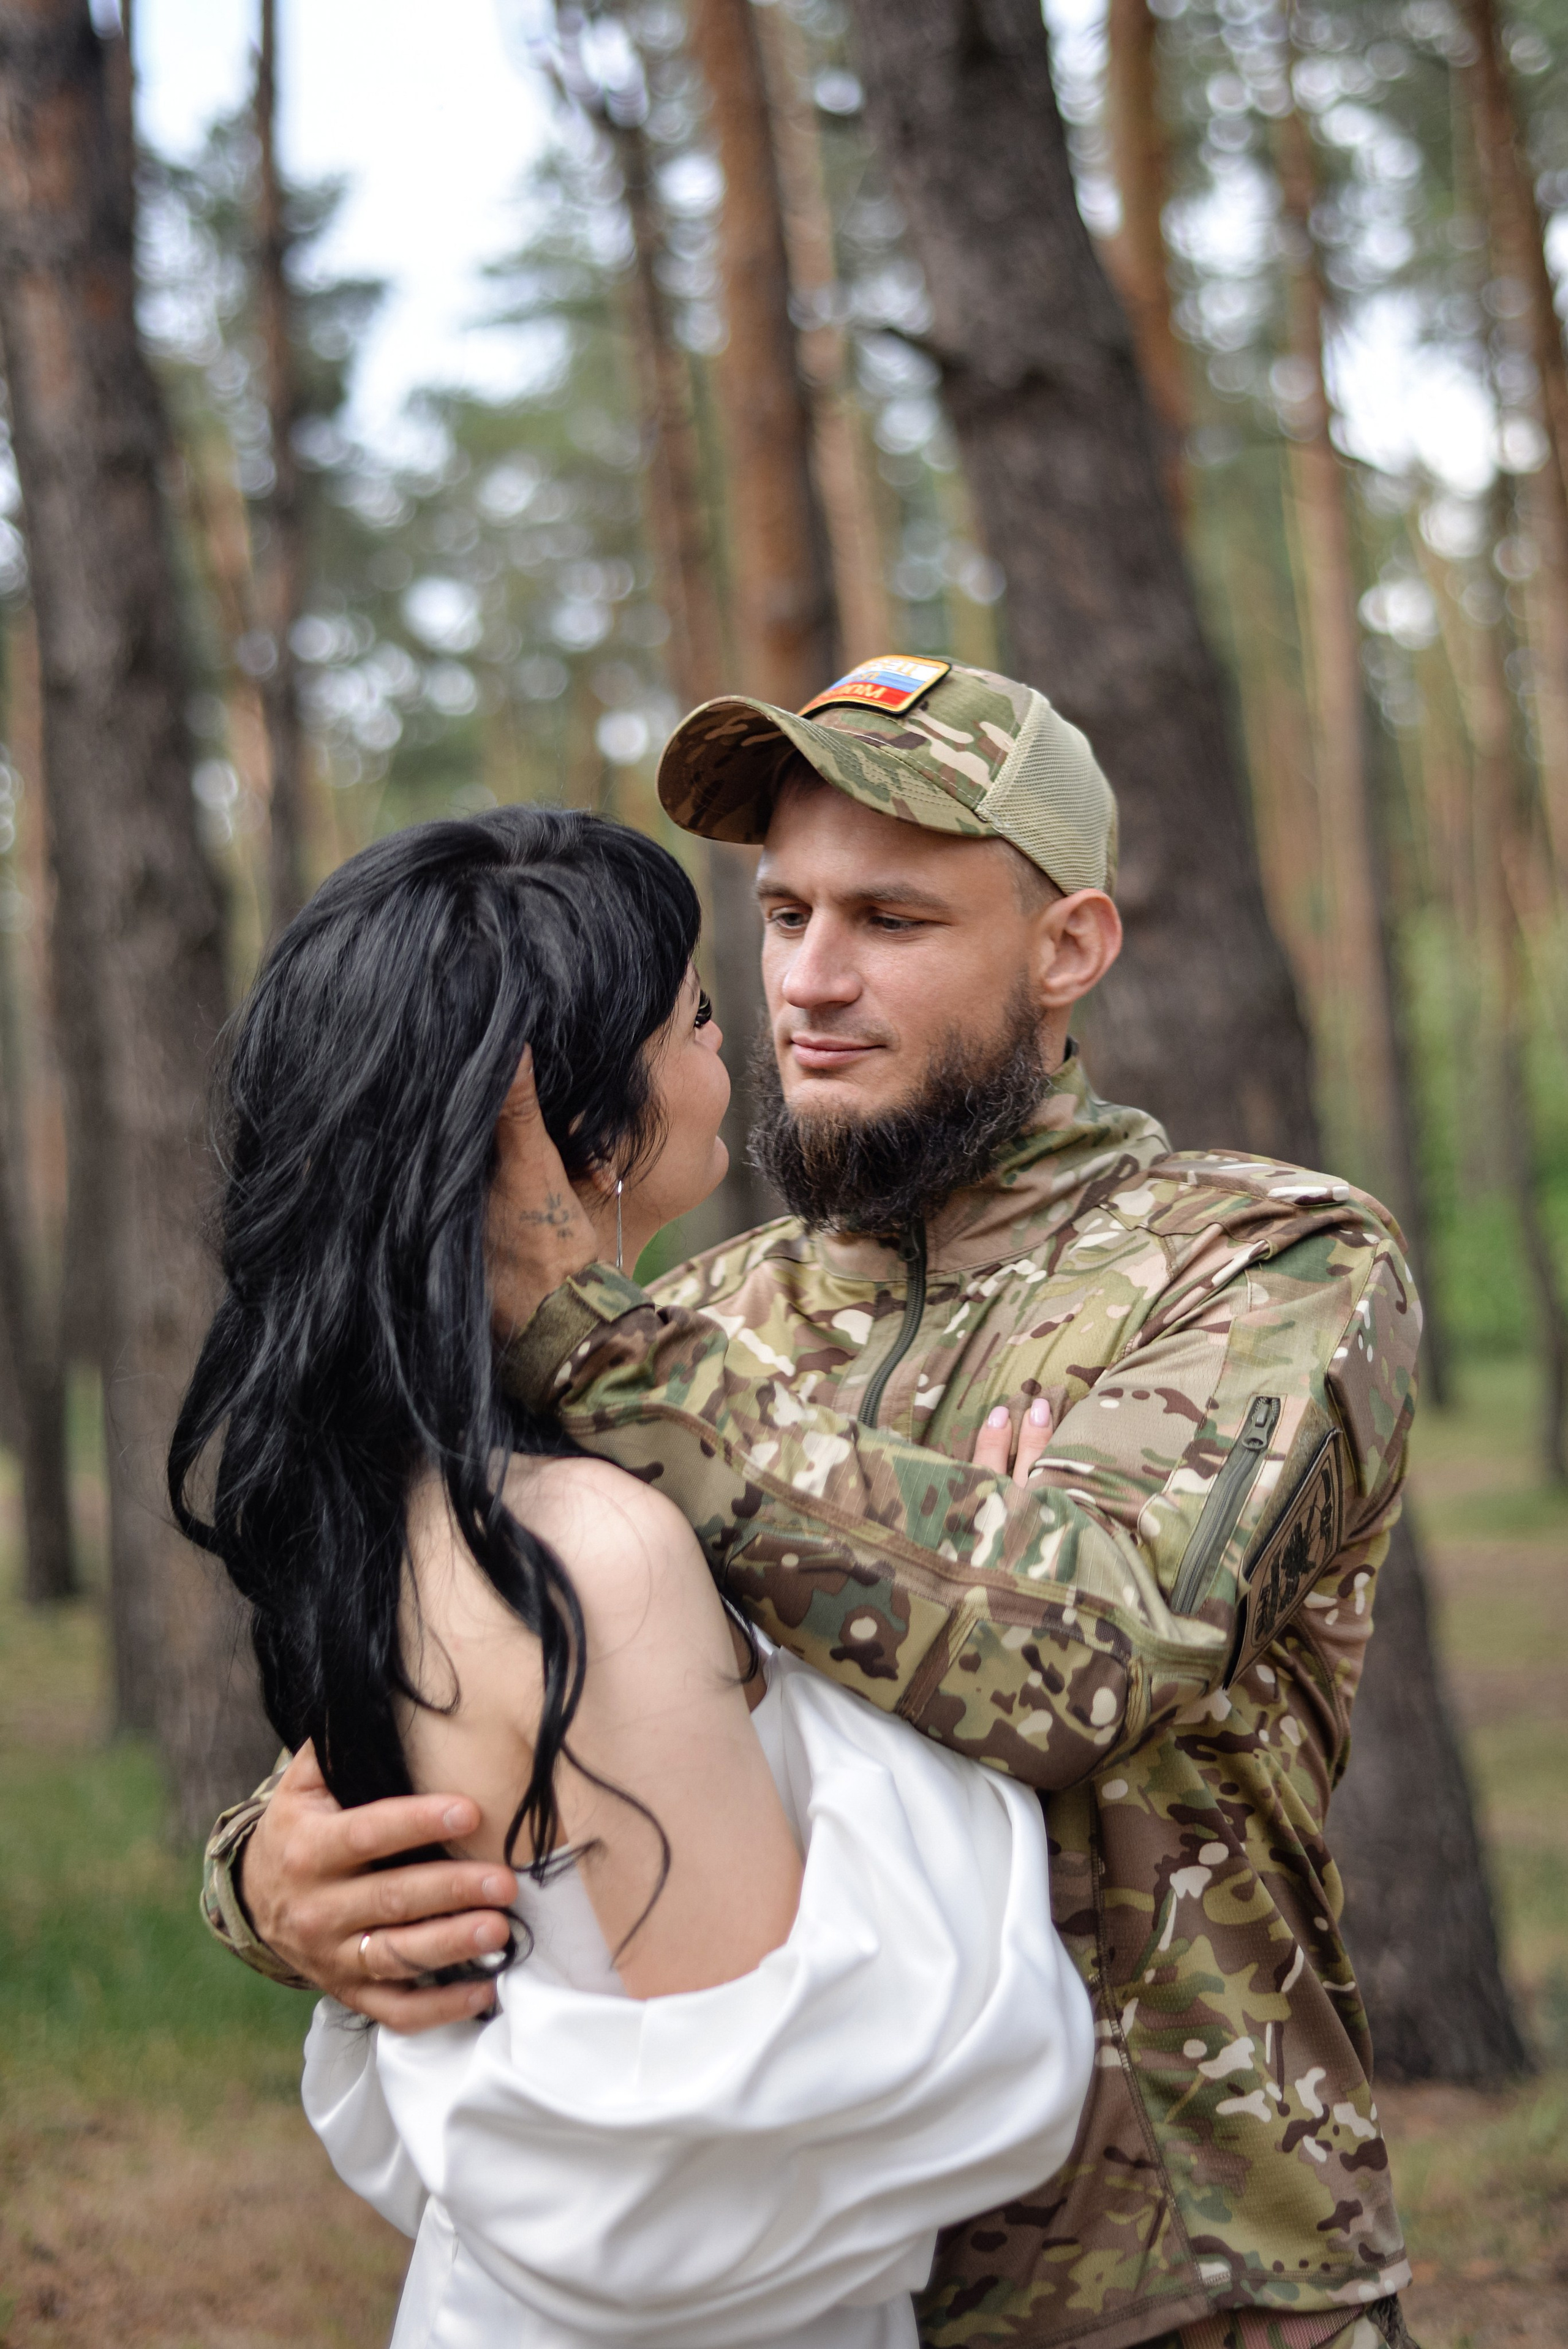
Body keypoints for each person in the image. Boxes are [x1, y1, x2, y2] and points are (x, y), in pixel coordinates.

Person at [203, 660, 1422, 2349]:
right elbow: (479, 1697)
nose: (810, 980)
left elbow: (1083, 1654)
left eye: (892, 918)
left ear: (1067, 947)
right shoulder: (699, 1322)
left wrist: (586, 1336)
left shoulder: (1261, 1266)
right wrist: (272, 1876)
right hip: (783, 2288)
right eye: (781, 914)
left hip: (1181, 2288)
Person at [170, 806, 1097, 2349]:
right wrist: (957, 1611)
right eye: (704, 1011)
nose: (769, 1015)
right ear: (578, 1120)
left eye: (888, 921)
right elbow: (762, 2125)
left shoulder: (424, 1484)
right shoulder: (591, 1543)